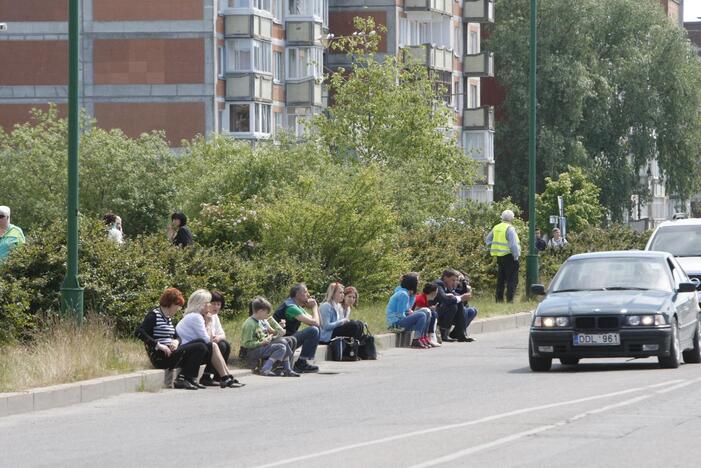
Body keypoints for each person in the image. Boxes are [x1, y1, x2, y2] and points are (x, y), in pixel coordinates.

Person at [135, 288, 208, 390]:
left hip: (171, 351)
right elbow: (139, 332)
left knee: (201, 343)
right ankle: (183, 379)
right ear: (171, 303)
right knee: (200, 346)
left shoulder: (169, 318)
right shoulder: (154, 315)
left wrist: (176, 341)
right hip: (161, 356)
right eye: (177, 306)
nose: (178, 309)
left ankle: (189, 378)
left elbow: (177, 336)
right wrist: (159, 346)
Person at [176, 289, 243, 388]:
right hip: (187, 354)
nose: (210, 306)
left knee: (223, 344)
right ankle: (225, 377)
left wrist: (212, 328)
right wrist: (209, 323)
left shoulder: (196, 315)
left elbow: (215, 337)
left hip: (194, 351)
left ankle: (226, 376)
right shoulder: (196, 317)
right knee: (214, 345)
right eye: (208, 303)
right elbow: (208, 341)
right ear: (201, 304)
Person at [241, 296, 300, 377]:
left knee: (283, 344)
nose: (267, 315)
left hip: (263, 346)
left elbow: (272, 332)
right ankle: (276, 369)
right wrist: (262, 342)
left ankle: (281, 369)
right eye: (266, 312)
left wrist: (278, 328)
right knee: (282, 345)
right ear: (260, 311)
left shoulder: (260, 320)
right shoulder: (250, 324)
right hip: (254, 351)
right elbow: (246, 344)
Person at [273, 283, 321, 373]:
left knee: (317, 330)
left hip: (289, 339)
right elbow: (315, 323)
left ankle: (302, 362)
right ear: (297, 294)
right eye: (305, 292)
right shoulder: (291, 307)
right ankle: (301, 364)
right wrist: (314, 307)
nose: (308, 294)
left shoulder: (296, 306)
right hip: (280, 341)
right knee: (313, 330)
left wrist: (316, 307)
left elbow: (317, 322)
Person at [386, 273, 432, 349]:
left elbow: (408, 308)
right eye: (417, 282)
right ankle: (416, 339)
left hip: (400, 320)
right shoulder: (403, 294)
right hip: (395, 323)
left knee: (426, 311)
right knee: (421, 315)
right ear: (412, 283)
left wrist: (412, 295)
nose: (419, 283)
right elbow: (400, 314)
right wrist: (410, 315)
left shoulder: (406, 293)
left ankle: (422, 337)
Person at [485, 209, 521, 303]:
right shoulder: (510, 228)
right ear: (512, 218)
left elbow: (487, 240)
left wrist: (495, 247)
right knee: (511, 280)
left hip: (499, 257)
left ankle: (499, 299)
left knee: (501, 279)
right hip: (510, 256)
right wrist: (516, 256)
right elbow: (513, 245)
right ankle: (510, 300)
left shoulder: (496, 227)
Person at [199, 290, 232, 385]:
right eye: (214, 304)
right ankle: (206, 376)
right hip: (204, 343)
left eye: (218, 304)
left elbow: (222, 334)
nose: (216, 307)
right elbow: (204, 336)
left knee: (225, 344)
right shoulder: (202, 316)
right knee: (220, 345)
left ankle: (219, 376)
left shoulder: (215, 316)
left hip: (213, 340)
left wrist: (218, 337)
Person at [434, 269, 471, 342]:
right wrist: (460, 297)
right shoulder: (438, 284)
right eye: (453, 280)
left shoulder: (448, 286)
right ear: (445, 278)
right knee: (453, 305)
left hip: (441, 309)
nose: (454, 282)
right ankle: (444, 333)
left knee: (459, 303)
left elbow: (458, 298)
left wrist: (462, 297)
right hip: (434, 309)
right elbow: (444, 299)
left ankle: (461, 334)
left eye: (455, 280)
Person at [412, 283, 440, 347]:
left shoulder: (425, 298)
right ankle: (428, 336)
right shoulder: (421, 299)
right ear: (433, 292)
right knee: (432, 313)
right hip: (416, 319)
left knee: (433, 313)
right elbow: (416, 311)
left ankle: (428, 336)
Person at [454, 272, 478, 341]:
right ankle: (461, 333)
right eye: (458, 280)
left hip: (461, 310)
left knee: (472, 310)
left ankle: (457, 332)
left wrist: (464, 283)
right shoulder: (451, 286)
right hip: (452, 310)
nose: (458, 282)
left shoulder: (462, 286)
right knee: (464, 309)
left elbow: (465, 298)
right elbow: (457, 294)